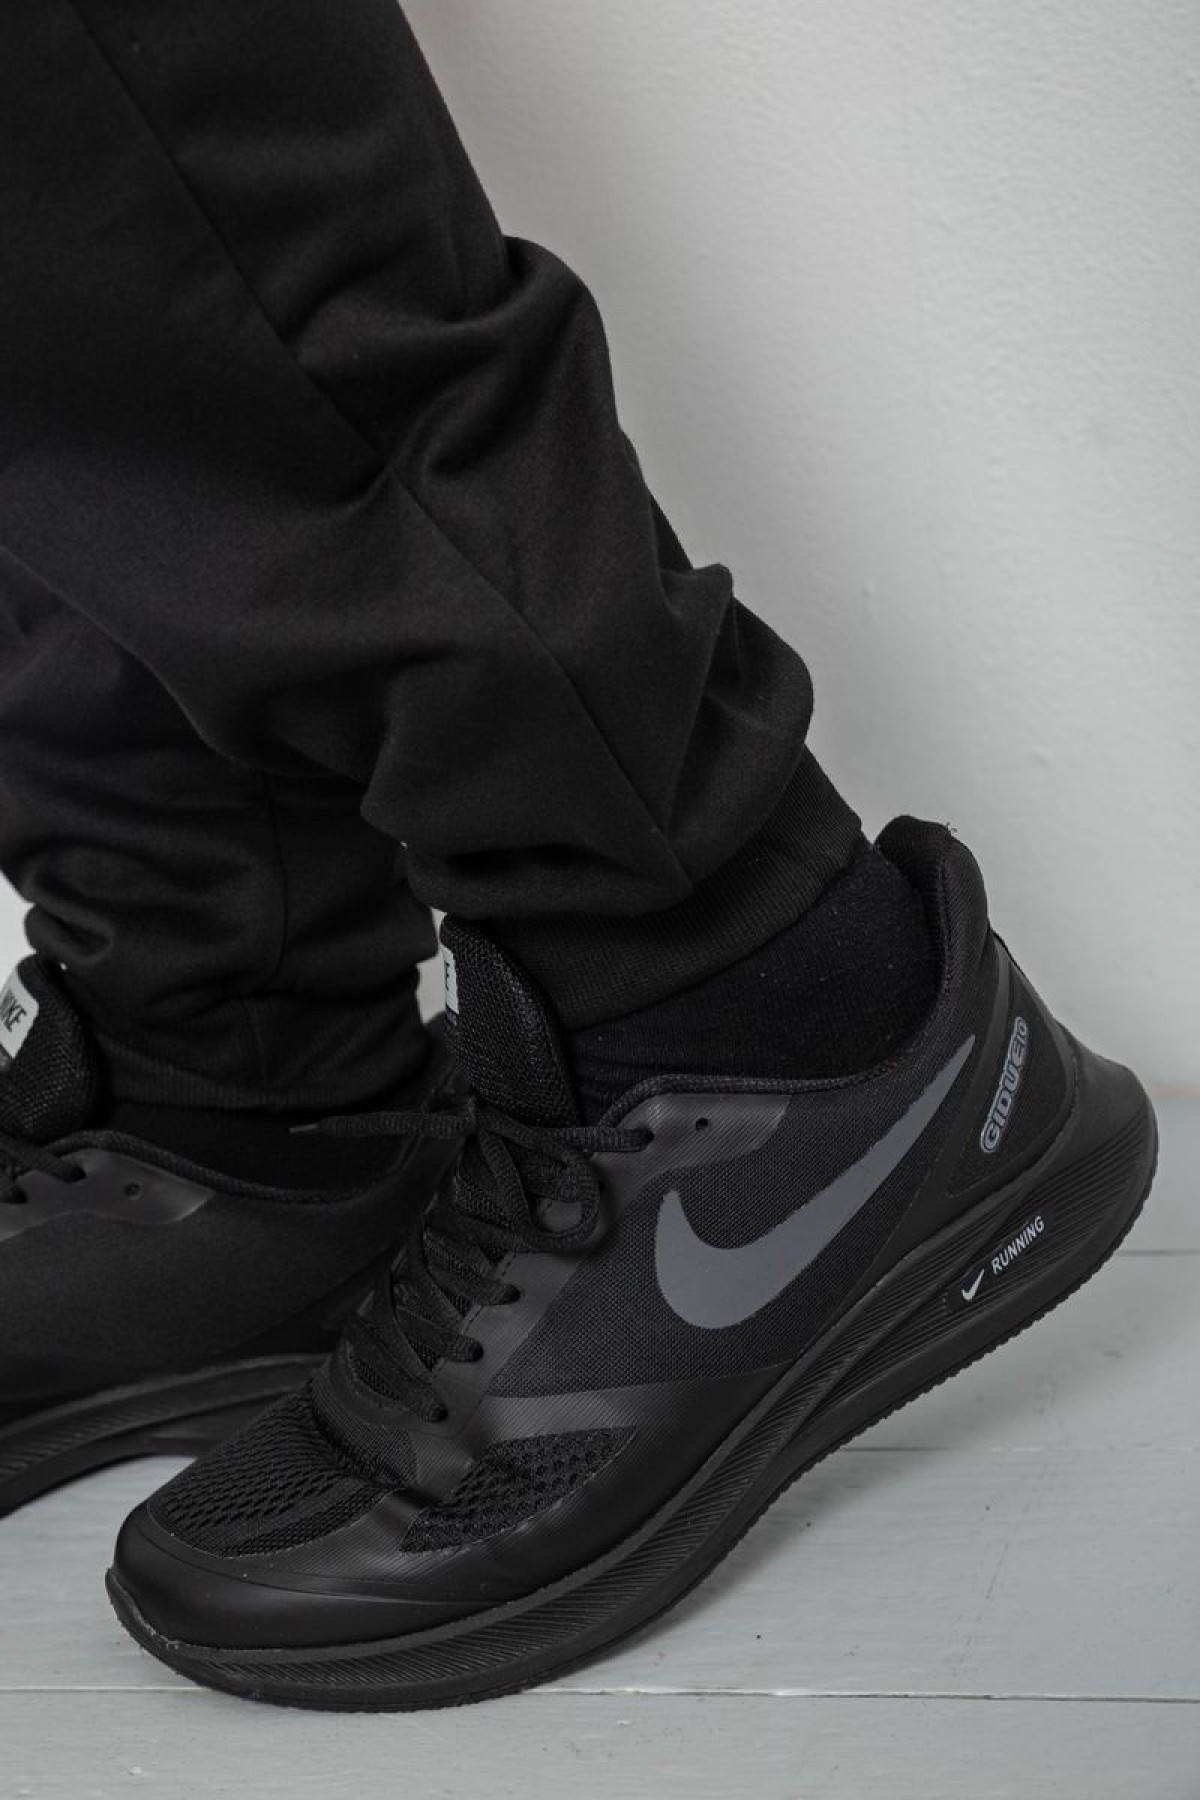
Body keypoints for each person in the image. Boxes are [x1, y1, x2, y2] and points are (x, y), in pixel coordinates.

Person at [0, 0, 1155, 1708]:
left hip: (717, 989)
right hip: (206, 999)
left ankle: (740, 991)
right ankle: (225, 1083)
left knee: (101, 122)